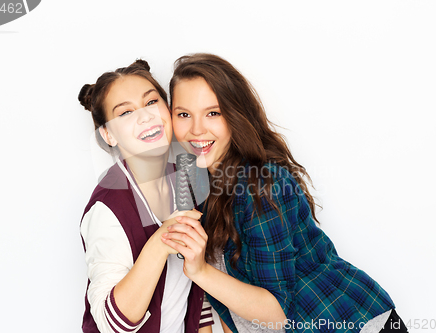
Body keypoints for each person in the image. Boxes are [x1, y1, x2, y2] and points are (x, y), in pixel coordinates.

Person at [161, 53, 408, 333]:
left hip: (353, 322)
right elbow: (228, 293)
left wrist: (198, 271)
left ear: (235, 115)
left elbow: (276, 314)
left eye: (213, 113)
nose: (196, 129)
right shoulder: (192, 176)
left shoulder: (260, 185)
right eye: (183, 114)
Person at [78, 59, 213, 333]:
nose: (145, 116)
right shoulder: (108, 206)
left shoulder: (190, 177)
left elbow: (199, 291)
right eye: (125, 113)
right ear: (108, 135)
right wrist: (161, 241)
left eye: (151, 102)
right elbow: (110, 324)